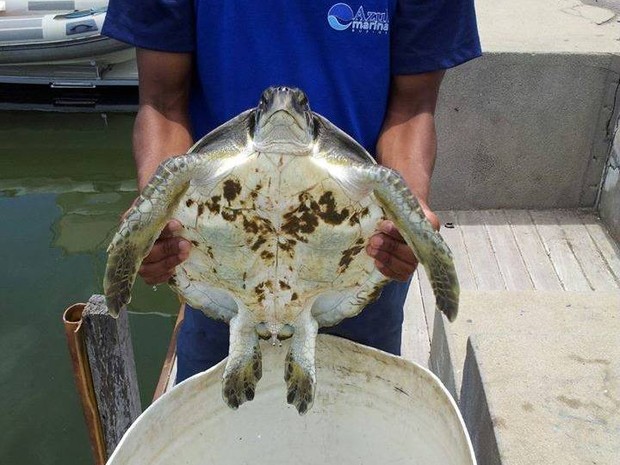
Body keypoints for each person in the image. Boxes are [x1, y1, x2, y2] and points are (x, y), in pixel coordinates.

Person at [102, 1, 481, 383]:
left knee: (357, 426)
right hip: (223, 254)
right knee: (218, 426)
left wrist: (407, 220)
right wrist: (153, 226)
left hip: (359, 249)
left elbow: (413, 104)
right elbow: (162, 101)